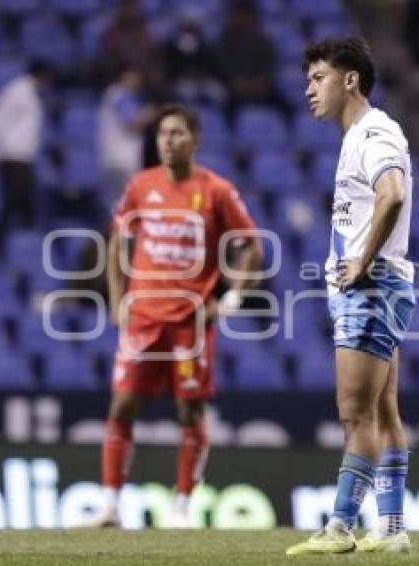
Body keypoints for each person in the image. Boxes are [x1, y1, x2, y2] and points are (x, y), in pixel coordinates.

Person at [83, 104, 263, 528]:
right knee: (122, 406)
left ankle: (182, 507)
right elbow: (116, 243)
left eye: (178, 133)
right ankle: (110, 505)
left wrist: (233, 297)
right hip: (143, 318)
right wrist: (116, 298)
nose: (168, 140)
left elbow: (251, 247)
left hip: (190, 323)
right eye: (163, 133)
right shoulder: (141, 186)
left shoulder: (217, 190)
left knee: (190, 413)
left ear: (195, 139)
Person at [285, 37, 416, 556]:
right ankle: (391, 529)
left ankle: (340, 526)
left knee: (354, 413)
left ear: (350, 80)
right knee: (383, 411)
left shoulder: (375, 131)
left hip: (372, 285)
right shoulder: (358, 136)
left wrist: (360, 262)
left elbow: (393, 194)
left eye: (318, 79)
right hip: (375, 284)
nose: (309, 90)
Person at [0, 59, 53, 242]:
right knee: (14, 199)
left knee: (25, 200)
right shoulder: (16, 92)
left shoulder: (31, 94)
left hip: (23, 156)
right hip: (11, 154)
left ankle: (24, 239)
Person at [213, 0, 292, 123]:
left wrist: (259, 82)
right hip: (234, 86)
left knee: (286, 107)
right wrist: (236, 82)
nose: (241, 19)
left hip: (260, 85)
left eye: (244, 15)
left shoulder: (263, 41)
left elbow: (269, 66)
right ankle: (231, 135)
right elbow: (222, 67)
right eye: (238, 15)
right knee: (223, 105)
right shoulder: (224, 41)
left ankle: (291, 135)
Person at [98, 67, 158, 213]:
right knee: (122, 205)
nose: (138, 82)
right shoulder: (119, 95)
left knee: (120, 205)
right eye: (135, 77)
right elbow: (132, 123)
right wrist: (151, 114)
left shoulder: (116, 95)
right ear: (126, 76)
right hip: (120, 161)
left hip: (117, 159)